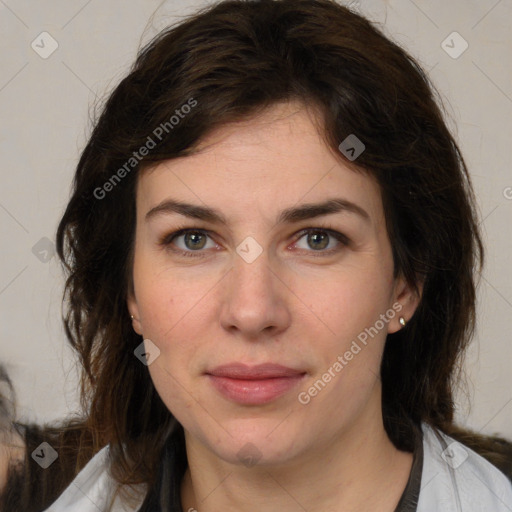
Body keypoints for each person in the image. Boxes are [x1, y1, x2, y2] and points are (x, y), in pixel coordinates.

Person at [2, 0, 512, 510]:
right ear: (128, 288)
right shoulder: (29, 485)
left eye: (318, 239)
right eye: (193, 239)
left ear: (405, 283)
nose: (251, 311)